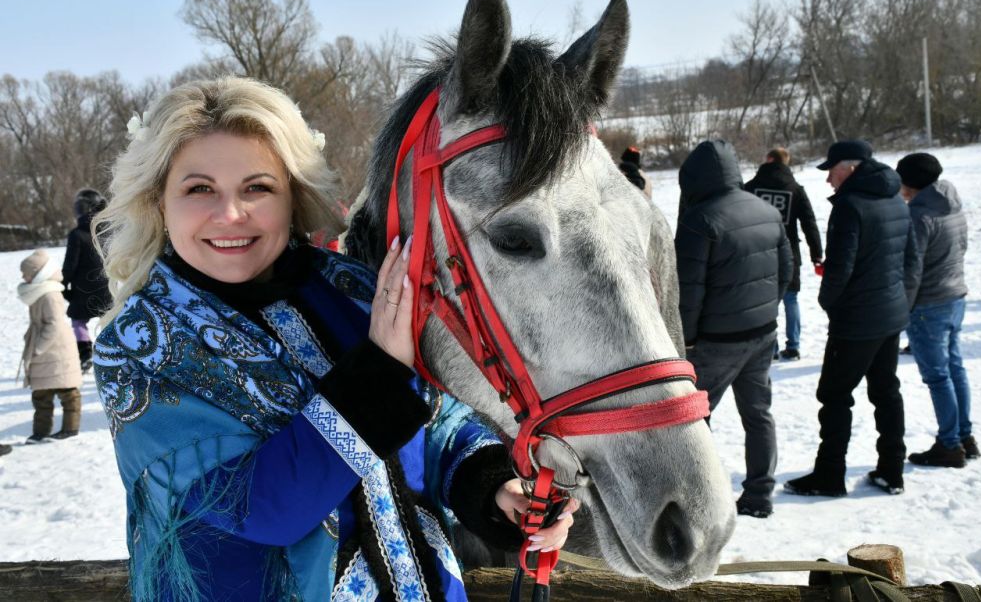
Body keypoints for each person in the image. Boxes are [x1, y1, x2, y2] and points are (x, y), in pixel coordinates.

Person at [92, 77, 578, 601]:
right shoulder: (140, 347)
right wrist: (380, 371)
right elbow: (261, 506)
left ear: (294, 196)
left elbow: (432, 423)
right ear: (159, 202)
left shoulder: (352, 288)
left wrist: (490, 487)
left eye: (258, 187)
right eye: (198, 189)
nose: (230, 214)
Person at [786, 140, 915, 498]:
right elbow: (911, 260)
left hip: (858, 321)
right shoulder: (896, 198)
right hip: (889, 315)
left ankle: (829, 475)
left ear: (852, 168)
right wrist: (902, 302)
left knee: (834, 396)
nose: (828, 179)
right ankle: (892, 470)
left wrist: (831, 304)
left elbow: (839, 270)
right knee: (886, 392)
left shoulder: (850, 206)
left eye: (832, 170)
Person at [675, 139, 793, 519]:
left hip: (715, 342)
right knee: (758, 414)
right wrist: (767, 311)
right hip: (762, 333)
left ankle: (698, 500)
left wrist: (685, 339)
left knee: (692, 422)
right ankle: (760, 492)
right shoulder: (765, 208)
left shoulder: (700, 219)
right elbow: (786, 271)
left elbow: (688, 291)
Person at [896, 153, 980, 467]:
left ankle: (950, 444)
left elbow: (911, 270)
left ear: (911, 183)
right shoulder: (951, 203)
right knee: (954, 368)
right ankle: (963, 435)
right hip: (955, 295)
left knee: (937, 376)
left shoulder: (918, 216)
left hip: (928, 304)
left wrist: (902, 309)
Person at [744, 147, 824, 361]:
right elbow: (809, 223)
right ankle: (794, 345)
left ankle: (771, 349)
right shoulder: (795, 189)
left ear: (769, 159)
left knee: (766, 303)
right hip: (789, 254)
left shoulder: (750, 188)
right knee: (791, 299)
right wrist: (817, 253)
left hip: (760, 253)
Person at [18, 249, 83, 443]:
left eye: (26, 273)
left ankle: (70, 428)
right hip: (46, 350)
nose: (23, 276)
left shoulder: (49, 294)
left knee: (67, 391)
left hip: (56, 350)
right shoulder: (39, 292)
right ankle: (41, 431)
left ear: (38, 273)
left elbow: (54, 323)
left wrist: (38, 346)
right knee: (41, 393)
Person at [62, 188, 112, 372]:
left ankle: (85, 355)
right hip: (107, 286)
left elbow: (70, 265)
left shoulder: (77, 234)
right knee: (108, 319)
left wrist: (63, 284)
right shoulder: (107, 231)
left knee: (78, 321)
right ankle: (111, 351)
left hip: (82, 289)